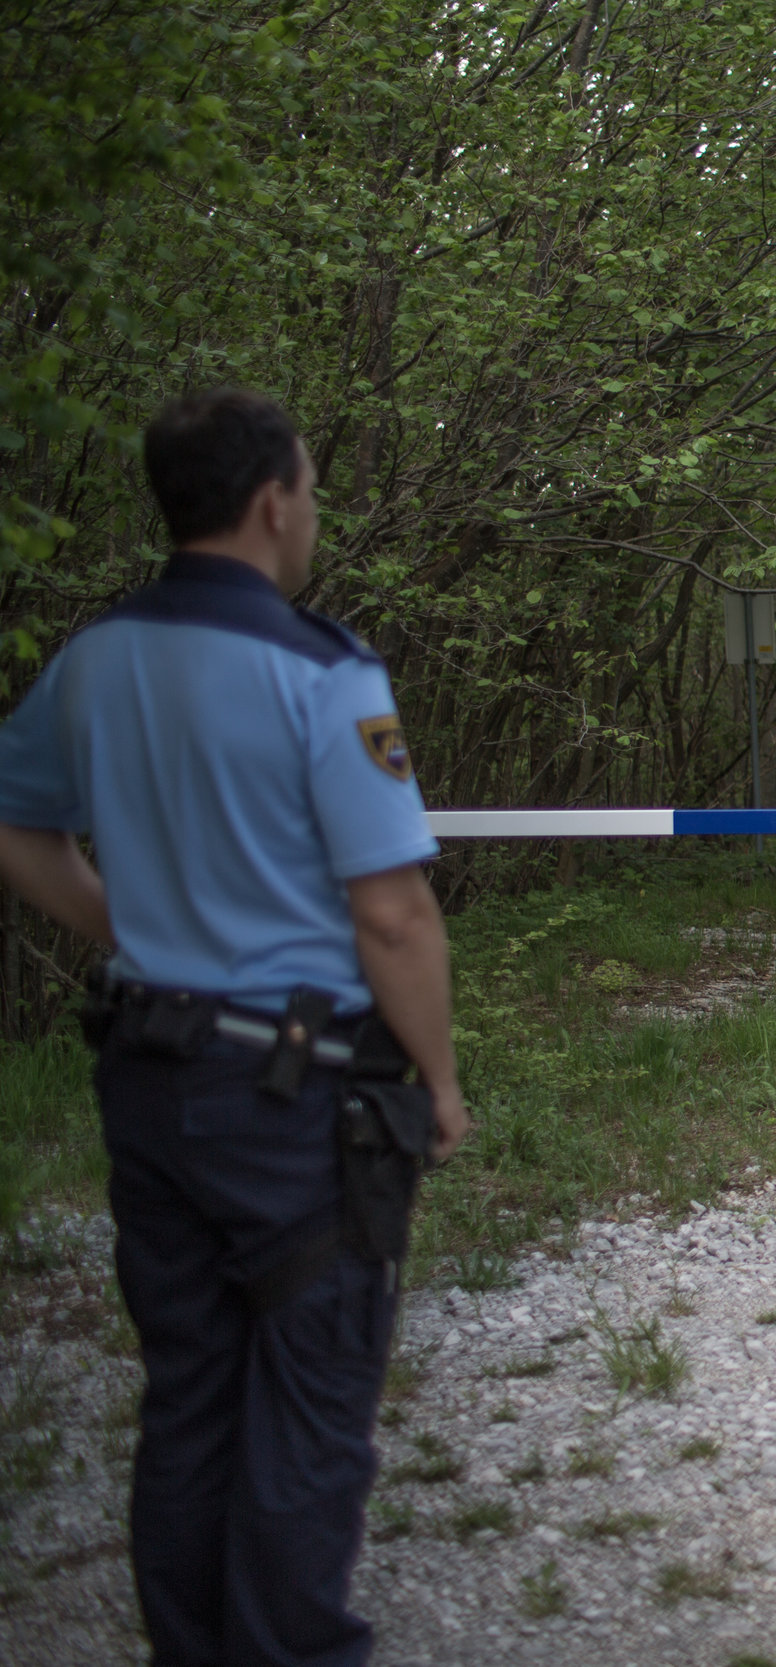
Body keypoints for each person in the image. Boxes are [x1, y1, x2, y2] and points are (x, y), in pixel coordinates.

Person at [0, 387, 467, 1667]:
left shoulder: (95, 657)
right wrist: (437, 1073)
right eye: (310, 492)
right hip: (295, 1093)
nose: (310, 514)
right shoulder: (324, 670)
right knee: (309, 1412)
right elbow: (394, 914)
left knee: (192, 1397)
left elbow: (15, 822)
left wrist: (129, 931)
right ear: (274, 502)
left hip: (148, 1079)